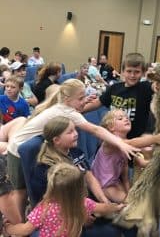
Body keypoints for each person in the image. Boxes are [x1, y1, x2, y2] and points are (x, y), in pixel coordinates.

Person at [6, 79, 138, 218]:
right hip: (17, 148)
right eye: (80, 98)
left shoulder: (63, 107)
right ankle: (18, 223)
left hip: (33, 144)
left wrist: (83, 101)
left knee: (26, 189)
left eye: (84, 97)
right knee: (20, 191)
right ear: (68, 99)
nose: (84, 101)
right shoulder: (68, 113)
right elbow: (95, 129)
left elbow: (88, 176)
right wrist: (120, 143)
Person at [28, 117, 136, 237]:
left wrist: (105, 201)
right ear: (56, 140)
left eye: (75, 130)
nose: (76, 134)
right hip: (65, 216)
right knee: (112, 230)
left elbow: (90, 177)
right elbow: (52, 203)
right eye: (70, 132)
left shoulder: (75, 152)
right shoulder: (45, 168)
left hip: (85, 203)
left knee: (129, 219)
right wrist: (80, 216)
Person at [4, 162, 125, 237]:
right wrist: (118, 207)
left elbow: (25, 230)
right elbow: (104, 208)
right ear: (80, 187)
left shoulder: (44, 208)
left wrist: (8, 228)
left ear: (51, 187)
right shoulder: (84, 202)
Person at [91, 109, 160, 203]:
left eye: (127, 117)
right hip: (102, 184)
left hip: (114, 181)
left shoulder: (125, 144)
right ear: (111, 127)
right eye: (120, 118)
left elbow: (124, 172)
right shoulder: (110, 142)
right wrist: (155, 139)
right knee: (127, 203)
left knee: (131, 198)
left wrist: (129, 191)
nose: (126, 119)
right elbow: (131, 143)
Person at [85, 53, 154, 140]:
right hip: (114, 139)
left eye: (137, 72)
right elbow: (98, 102)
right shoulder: (115, 88)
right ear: (123, 71)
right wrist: (79, 110)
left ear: (143, 73)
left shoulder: (145, 88)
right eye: (129, 71)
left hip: (135, 141)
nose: (132, 75)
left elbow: (158, 86)